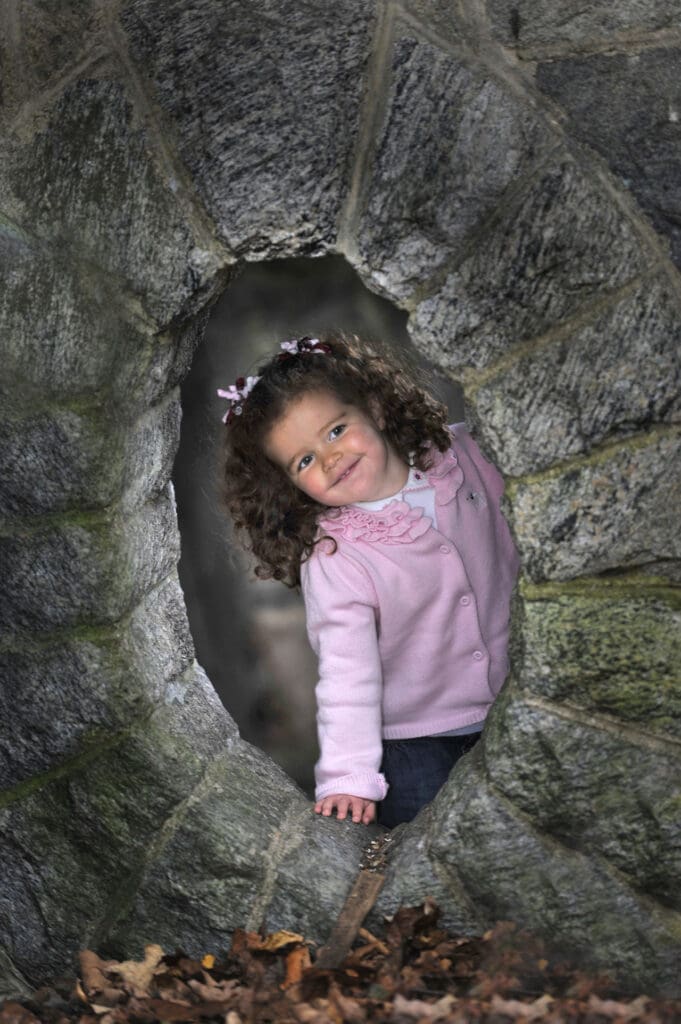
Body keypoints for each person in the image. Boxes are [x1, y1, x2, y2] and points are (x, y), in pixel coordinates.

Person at [218, 334, 519, 828]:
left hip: (517, 697)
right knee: (428, 862)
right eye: (305, 461)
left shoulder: (463, 456)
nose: (330, 458)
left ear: (375, 409)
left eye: (335, 431)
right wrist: (348, 775)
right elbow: (346, 673)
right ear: (288, 484)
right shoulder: (336, 556)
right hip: (416, 745)